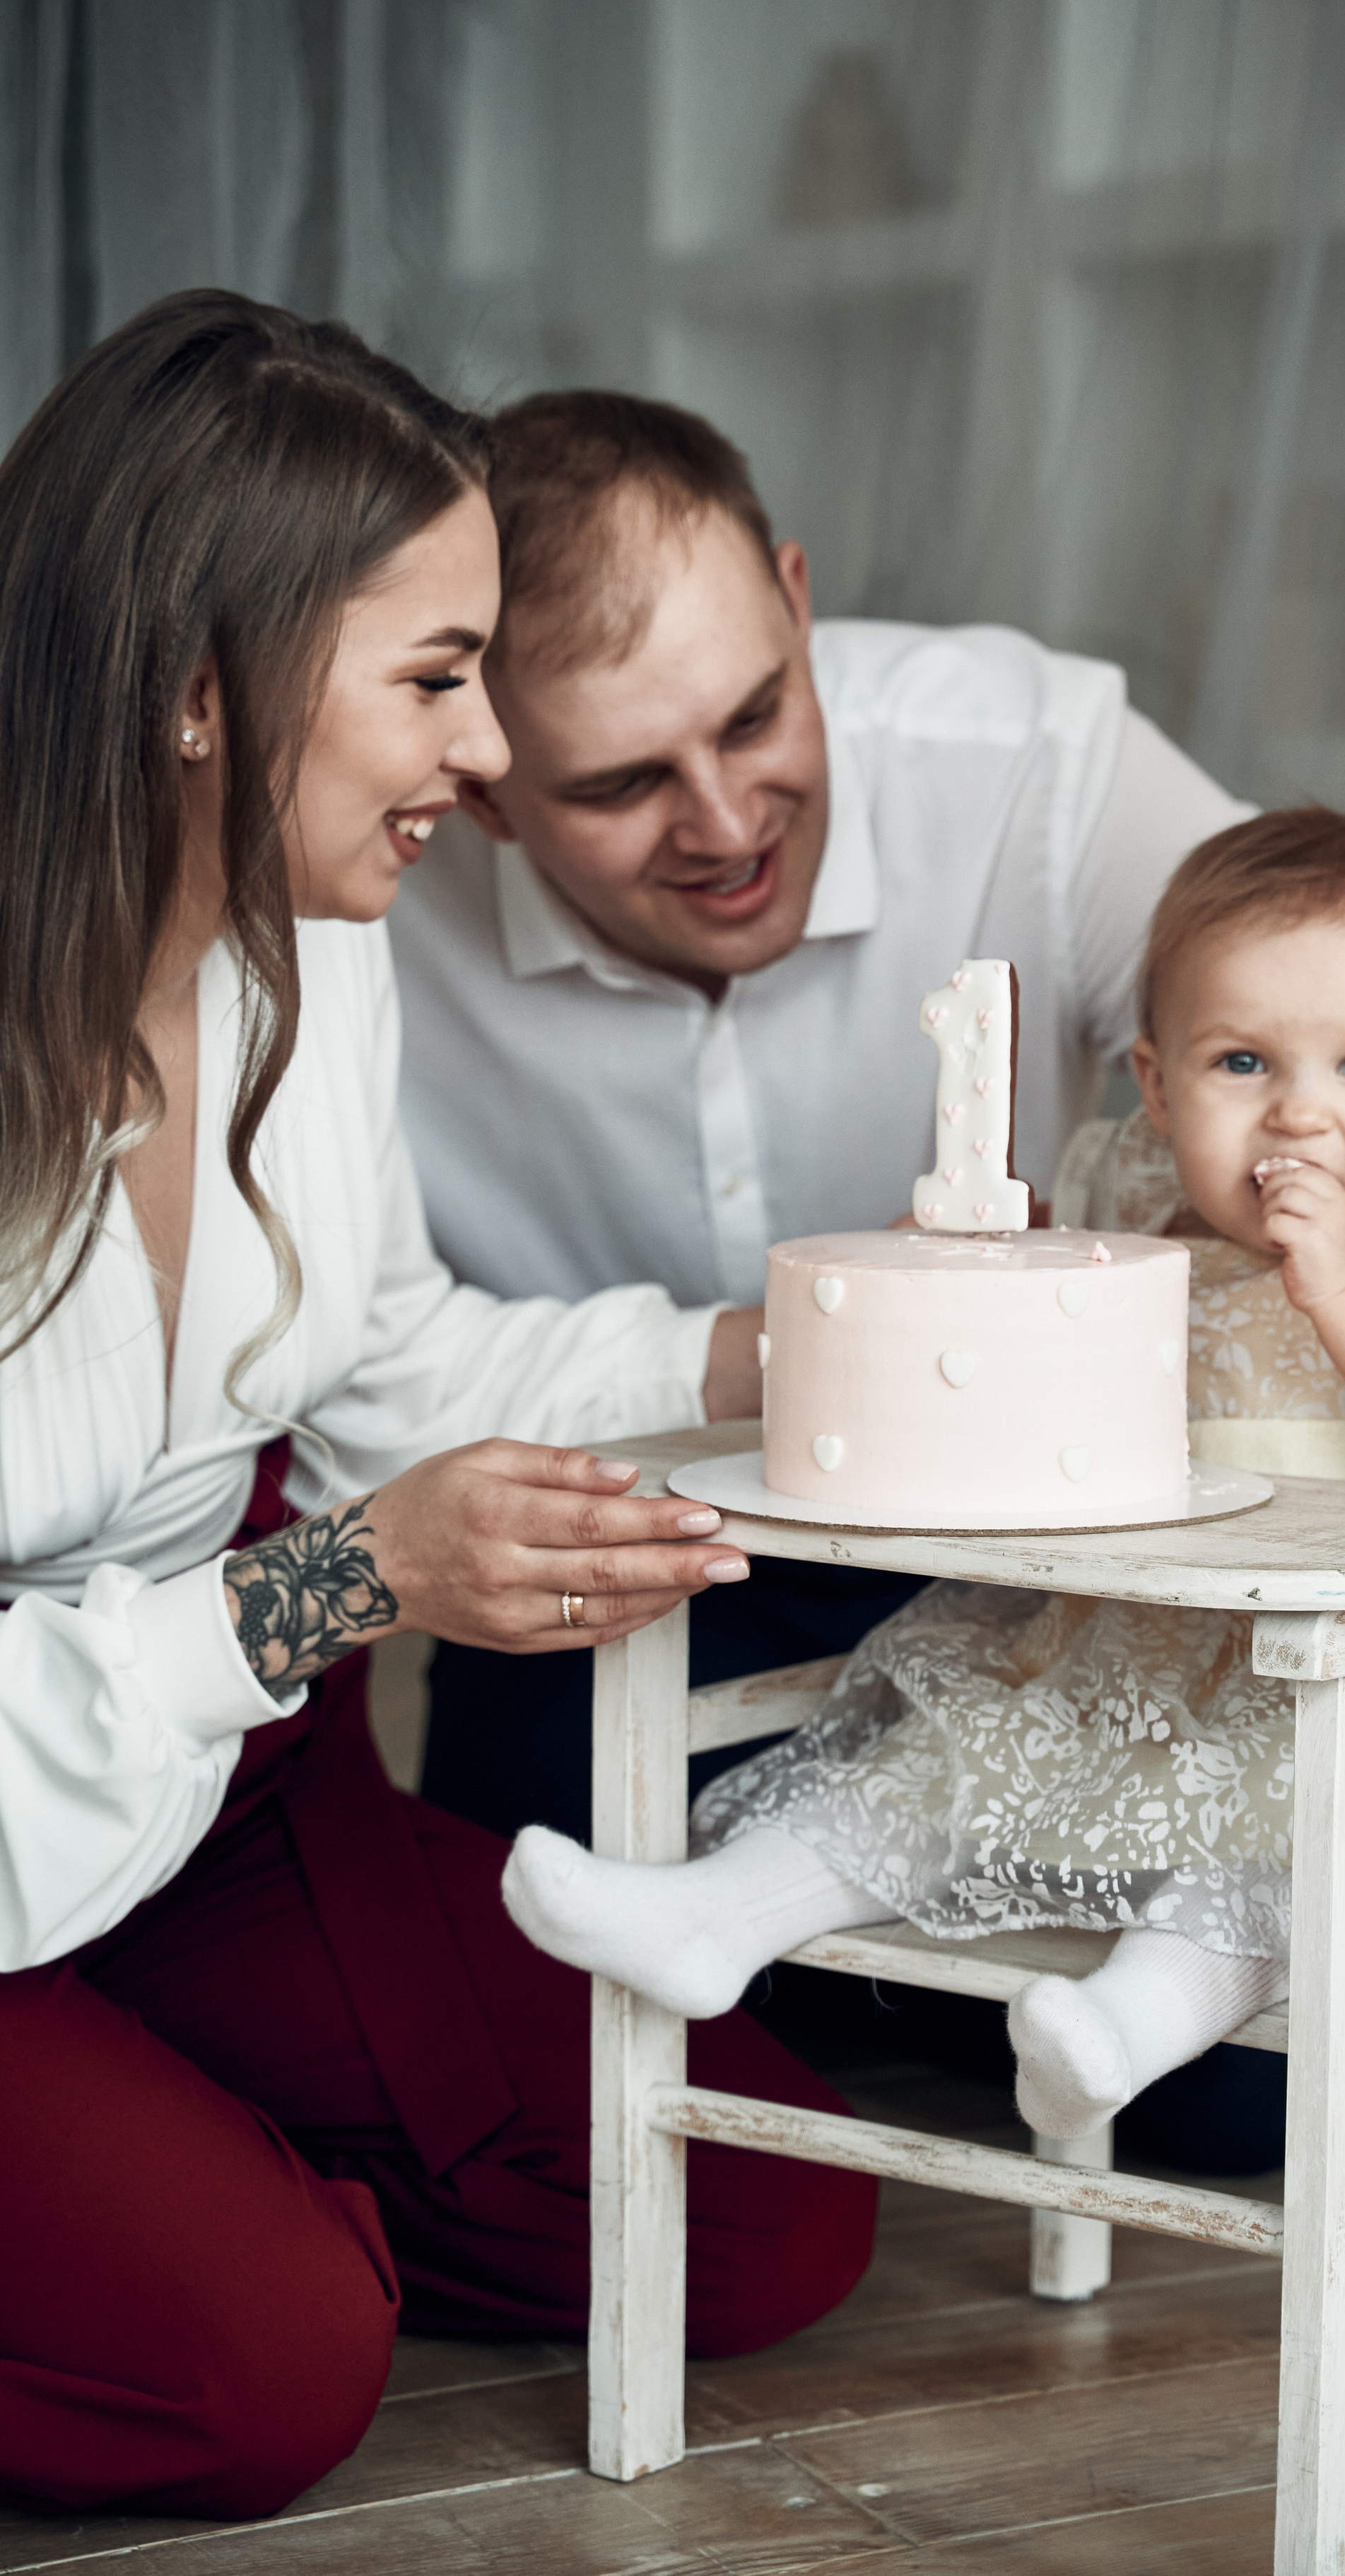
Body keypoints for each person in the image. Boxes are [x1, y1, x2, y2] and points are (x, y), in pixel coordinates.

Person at [0, 293, 876, 2526]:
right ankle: (205, 2202)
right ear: (200, 690)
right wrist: (339, 1584)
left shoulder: (325, 957)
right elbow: (344, 1546)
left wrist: (781, 1345)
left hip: (215, 1790)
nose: (488, 754)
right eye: (434, 676)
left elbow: (393, 1367)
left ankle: (174, 2139)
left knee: (763, 2210)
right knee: (267, 2373)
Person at [503, 809, 1345, 2141]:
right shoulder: (1150, 1256)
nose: (1301, 1112)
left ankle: (1125, 2026)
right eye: (1243, 1062)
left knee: (1268, 1846)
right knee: (943, 1756)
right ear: (1159, 1086)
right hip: (1155, 1640)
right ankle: (716, 1913)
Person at [387, 387, 1250, 1846]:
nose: (726, 826)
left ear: (794, 602)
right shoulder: (363, 894)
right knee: (524, 1945)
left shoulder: (1036, 764)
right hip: (608, 1587)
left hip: (1044, 1572)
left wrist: (1113, 1268)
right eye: (620, 784)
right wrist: (809, 1350)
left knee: (1218, 2076)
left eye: (755, 714)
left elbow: (1326, 1037)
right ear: (482, 787)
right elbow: (358, 1373)